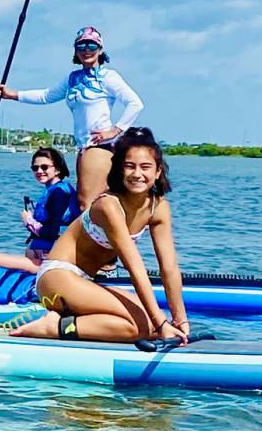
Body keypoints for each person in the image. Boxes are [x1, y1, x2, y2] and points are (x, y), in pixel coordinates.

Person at [10, 127, 188, 344]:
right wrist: (161, 323)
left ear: (158, 171)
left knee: (149, 326)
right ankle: (53, 326)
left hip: (85, 281)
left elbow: (169, 268)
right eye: (129, 166)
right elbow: (135, 268)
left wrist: (180, 320)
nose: (137, 174)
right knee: (143, 327)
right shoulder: (108, 206)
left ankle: (70, 319)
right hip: (57, 277)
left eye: (145, 167)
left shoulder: (158, 207)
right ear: (119, 170)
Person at [0, 25, 143, 211]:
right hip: (84, 148)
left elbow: (135, 103)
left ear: (100, 49)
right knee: (88, 204)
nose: (86, 50)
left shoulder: (108, 77)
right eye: (81, 46)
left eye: (92, 46)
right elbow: (47, 96)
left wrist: (115, 130)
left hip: (99, 147)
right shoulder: (73, 78)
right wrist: (13, 95)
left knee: (87, 204)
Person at [0, 147, 76, 274]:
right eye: (35, 168)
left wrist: (29, 221)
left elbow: (53, 232)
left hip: (51, 262)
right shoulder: (58, 189)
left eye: (45, 167)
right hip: (44, 257)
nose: (39, 171)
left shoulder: (60, 193)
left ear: (57, 169)